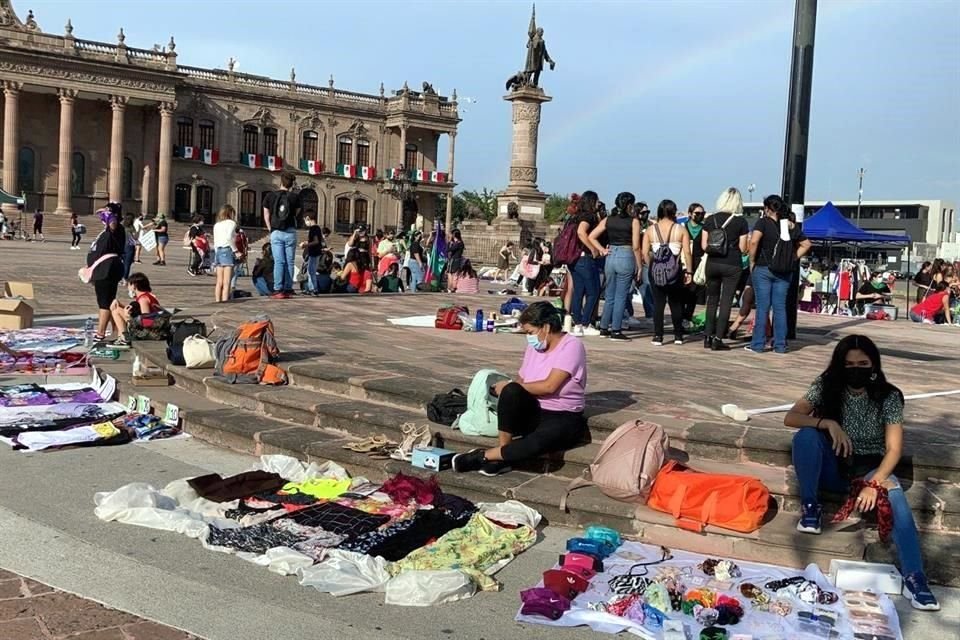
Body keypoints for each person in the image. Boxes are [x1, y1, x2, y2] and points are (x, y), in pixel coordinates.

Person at [784, 335, 940, 611]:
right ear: (840, 366)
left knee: (897, 499)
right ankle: (811, 507)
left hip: (870, 467)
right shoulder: (827, 386)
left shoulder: (889, 396)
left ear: (874, 364)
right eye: (849, 364)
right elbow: (791, 417)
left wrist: (876, 483)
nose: (856, 369)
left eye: (863, 363)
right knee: (806, 436)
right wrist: (827, 422)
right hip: (835, 463)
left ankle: (916, 578)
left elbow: (893, 449)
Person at [452, 302, 587, 477]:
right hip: (534, 411)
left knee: (538, 443)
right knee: (511, 390)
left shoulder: (571, 346)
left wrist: (511, 387)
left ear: (545, 327)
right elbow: (521, 381)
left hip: (562, 415)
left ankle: (485, 456)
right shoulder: (533, 347)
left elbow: (549, 386)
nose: (529, 338)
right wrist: (509, 391)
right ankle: (503, 453)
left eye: (530, 332)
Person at [747, 195, 812, 354]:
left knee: (763, 307)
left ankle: (758, 344)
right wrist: (793, 257)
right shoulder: (790, 225)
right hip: (784, 271)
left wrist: (752, 260)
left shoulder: (763, 222)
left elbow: (754, 241)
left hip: (763, 268)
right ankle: (780, 345)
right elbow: (806, 244)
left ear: (767, 208)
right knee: (780, 308)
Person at [701, 188, 750, 350]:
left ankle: (707, 336)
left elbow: (703, 245)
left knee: (712, 300)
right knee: (726, 301)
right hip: (732, 263)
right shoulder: (740, 222)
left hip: (712, 263)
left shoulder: (710, 219)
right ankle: (718, 338)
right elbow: (743, 248)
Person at [589, 191, 641, 341]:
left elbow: (592, 236)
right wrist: (639, 265)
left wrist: (602, 249)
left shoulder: (608, 219)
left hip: (611, 254)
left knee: (610, 294)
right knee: (621, 295)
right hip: (626, 254)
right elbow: (636, 246)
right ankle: (616, 330)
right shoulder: (634, 221)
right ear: (630, 205)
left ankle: (604, 327)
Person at [641, 199, 693, 346]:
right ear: (673, 212)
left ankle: (658, 336)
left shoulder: (651, 230)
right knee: (676, 303)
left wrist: (651, 264)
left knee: (659, 303)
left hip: (656, 271)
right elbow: (687, 252)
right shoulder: (680, 229)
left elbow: (645, 252)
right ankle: (678, 335)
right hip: (674, 271)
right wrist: (689, 271)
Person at [87, 206, 126, 342]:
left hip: (107, 269)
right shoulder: (107, 232)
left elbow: (113, 224)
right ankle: (117, 328)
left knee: (104, 302)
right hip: (103, 269)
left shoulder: (116, 229)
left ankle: (100, 333)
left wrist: (111, 215)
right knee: (109, 300)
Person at [568, 190, 604, 337]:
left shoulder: (574, 217)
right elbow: (582, 233)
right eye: (596, 201)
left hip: (574, 259)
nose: (598, 204)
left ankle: (577, 324)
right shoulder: (588, 216)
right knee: (593, 291)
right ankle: (585, 323)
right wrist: (592, 248)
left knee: (578, 292)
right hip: (584, 258)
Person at [262, 172, 302, 299]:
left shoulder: (270, 196)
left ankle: (278, 289)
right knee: (290, 262)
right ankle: (288, 288)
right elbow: (297, 213)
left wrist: (270, 229)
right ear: (291, 185)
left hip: (276, 232)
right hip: (290, 231)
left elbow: (266, 214)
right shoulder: (295, 197)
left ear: (281, 182)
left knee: (279, 262)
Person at [109, 272, 161, 349]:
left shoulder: (143, 299)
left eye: (129, 285)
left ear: (134, 285)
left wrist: (128, 319)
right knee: (117, 309)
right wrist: (120, 304)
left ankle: (124, 339)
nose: (128, 288)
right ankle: (122, 337)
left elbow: (147, 320)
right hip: (152, 327)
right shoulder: (146, 296)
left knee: (116, 311)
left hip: (151, 330)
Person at [682, 202, 707, 326]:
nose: (700, 215)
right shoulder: (682, 227)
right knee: (682, 290)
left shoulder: (704, 229)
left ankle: (687, 317)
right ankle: (680, 316)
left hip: (698, 261)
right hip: (683, 261)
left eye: (703, 213)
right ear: (690, 214)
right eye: (697, 213)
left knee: (693, 291)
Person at [212, 204, 239, 303]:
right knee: (227, 281)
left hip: (218, 250)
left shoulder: (217, 225)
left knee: (219, 281)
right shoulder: (231, 223)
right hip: (227, 250)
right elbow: (229, 238)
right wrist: (235, 251)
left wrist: (216, 255)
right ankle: (224, 301)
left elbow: (215, 241)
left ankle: (217, 301)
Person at [300, 212, 324, 295]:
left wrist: (305, 244)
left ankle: (313, 289)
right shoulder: (317, 228)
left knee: (311, 271)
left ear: (308, 218)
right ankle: (311, 288)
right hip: (316, 252)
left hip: (313, 252)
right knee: (311, 271)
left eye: (305, 220)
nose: (305, 223)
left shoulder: (313, 228)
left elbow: (316, 241)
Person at [120, 214, 138, 282]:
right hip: (129, 246)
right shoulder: (131, 227)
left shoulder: (121, 227)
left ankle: (121, 277)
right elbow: (135, 237)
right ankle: (125, 278)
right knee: (127, 264)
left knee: (122, 263)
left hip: (121, 246)